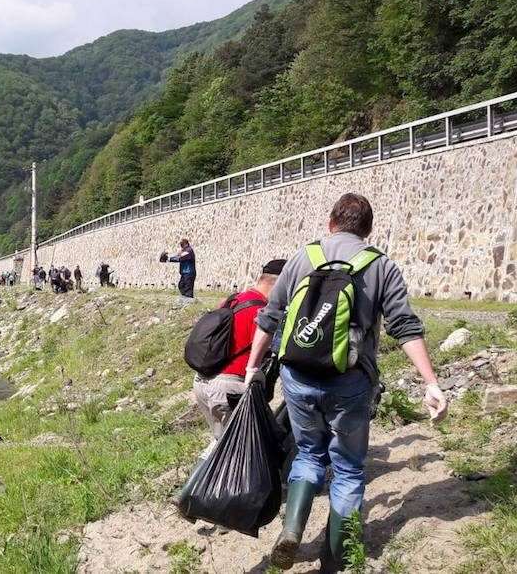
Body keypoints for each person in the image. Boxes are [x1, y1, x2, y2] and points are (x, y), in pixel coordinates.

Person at [243, 193, 448, 572]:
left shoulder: (303, 257)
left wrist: (253, 367)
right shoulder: (381, 266)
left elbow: (269, 318)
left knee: (307, 455)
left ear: (330, 223)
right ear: (368, 230)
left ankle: (292, 530)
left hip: (299, 377)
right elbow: (404, 326)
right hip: (351, 381)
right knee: (349, 467)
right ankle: (334, 559)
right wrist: (431, 382)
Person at [191, 259, 286, 461]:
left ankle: (198, 487)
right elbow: (277, 351)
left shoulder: (233, 300)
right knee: (236, 452)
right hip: (228, 389)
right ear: (278, 285)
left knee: (222, 443)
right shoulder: (262, 312)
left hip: (203, 382)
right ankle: (203, 489)